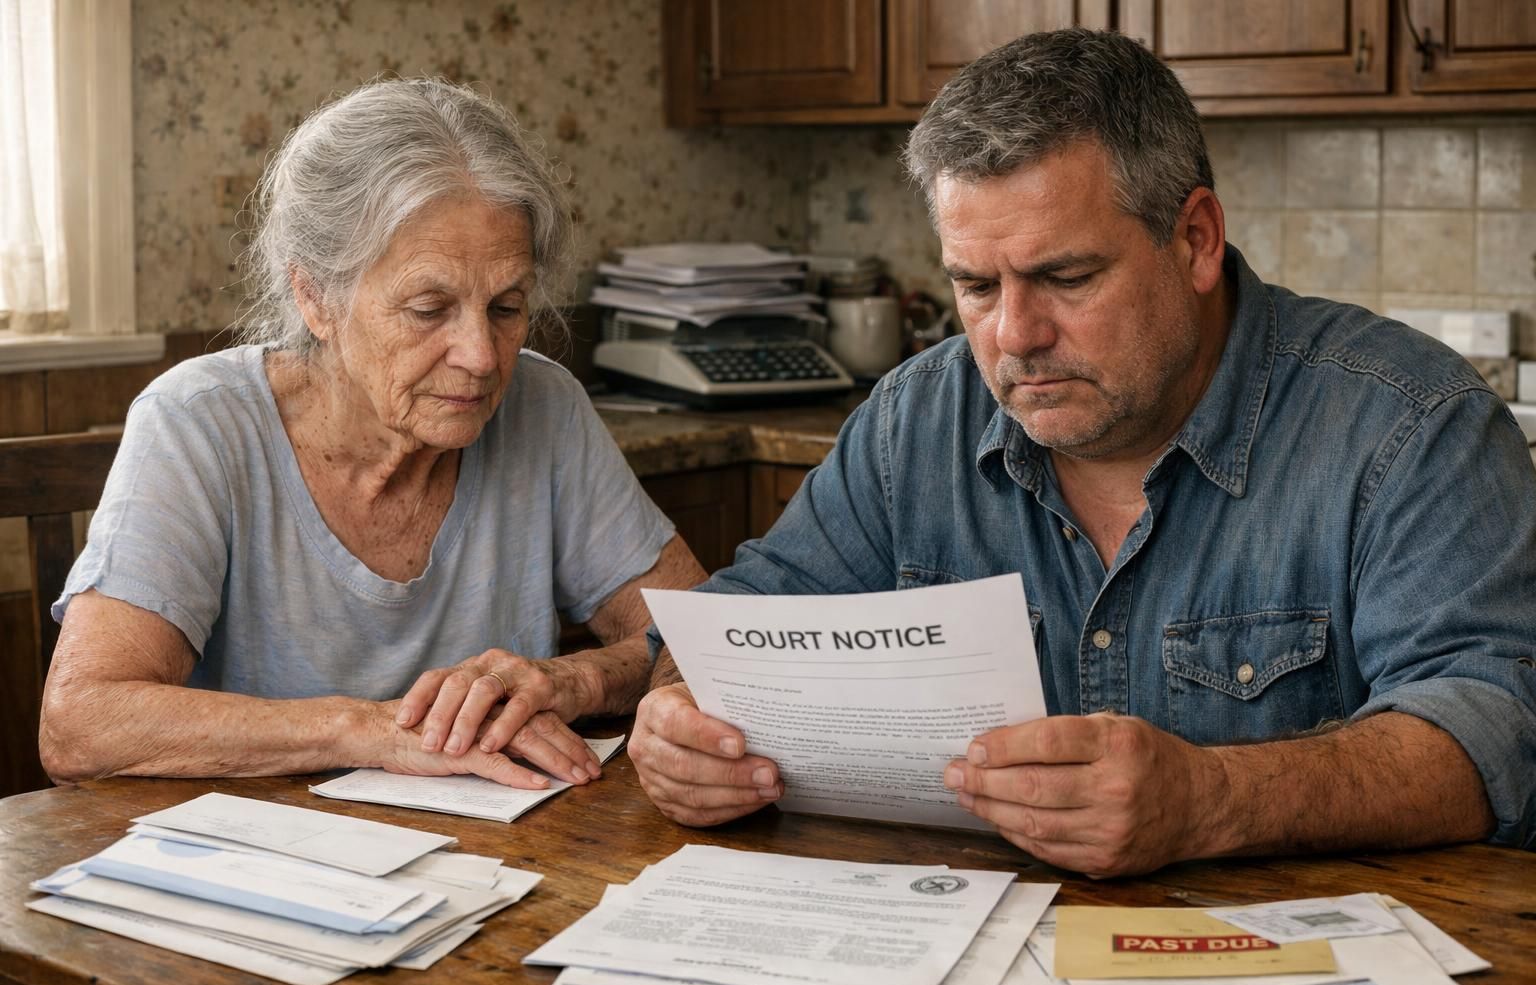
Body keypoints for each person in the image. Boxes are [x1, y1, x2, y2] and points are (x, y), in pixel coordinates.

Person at [629, 29, 1536, 876]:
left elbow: (1497, 725)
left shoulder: (1411, 425)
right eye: (976, 286)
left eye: (1066, 278)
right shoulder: (915, 419)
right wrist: (678, 719)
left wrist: (1214, 798)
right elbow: (743, 621)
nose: (1015, 335)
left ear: (1195, 240)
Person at [39, 79, 705, 789]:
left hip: (500, 859)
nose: (481, 356)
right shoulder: (198, 423)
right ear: (314, 296)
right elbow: (82, 723)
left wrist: (576, 680)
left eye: (507, 307)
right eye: (428, 308)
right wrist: (372, 730)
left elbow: (705, 639)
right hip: (258, 866)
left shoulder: (544, 404)